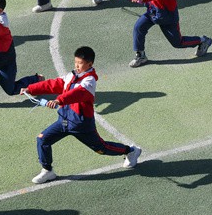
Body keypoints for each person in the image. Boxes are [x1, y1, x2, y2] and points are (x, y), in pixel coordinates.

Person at [22, 46, 140, 184]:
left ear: (89, 64)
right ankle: (47, 170)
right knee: (42, 139)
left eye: (80, 63)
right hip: (64, 120)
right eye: (75, 62)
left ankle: (130, 151)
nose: (77, 66)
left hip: (81, 124)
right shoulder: (71, 76)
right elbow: (54, 84)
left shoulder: (89, 81)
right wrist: (30, 89)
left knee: (101, 148)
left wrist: (58, 100)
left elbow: (78, 93)